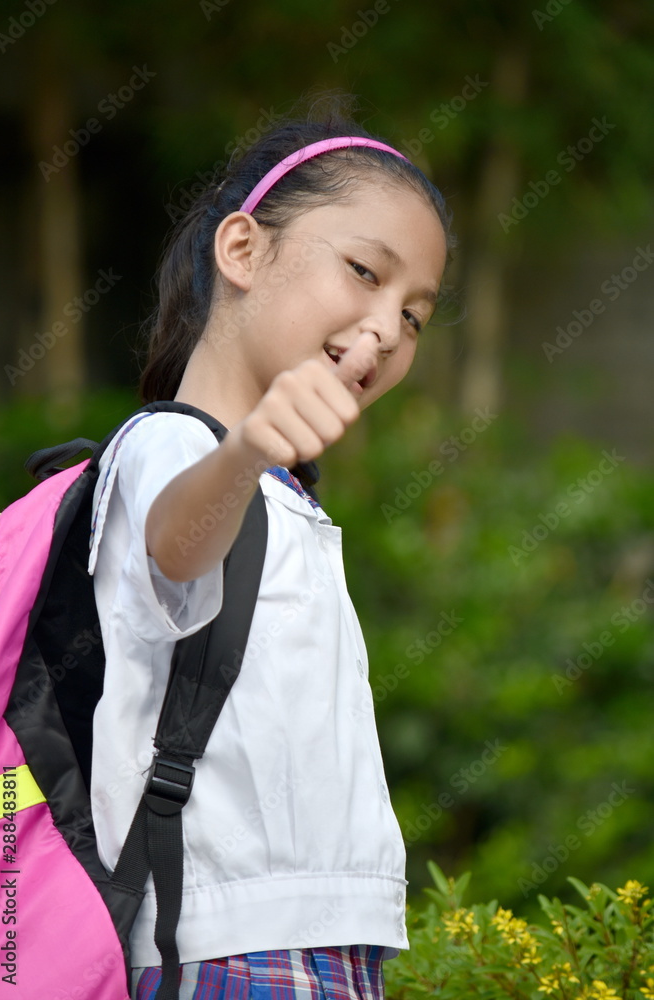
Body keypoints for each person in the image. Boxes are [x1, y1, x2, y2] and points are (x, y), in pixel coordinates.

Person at [88, 105, 453, 1000]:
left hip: (323, 940)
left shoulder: (286, 492)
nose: (386, 329)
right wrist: (245, 450)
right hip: (224, 942)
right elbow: (174, 548)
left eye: (413, 315)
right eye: (364, 272)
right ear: (243, 251)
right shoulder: (169, 446)